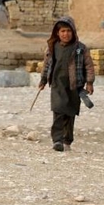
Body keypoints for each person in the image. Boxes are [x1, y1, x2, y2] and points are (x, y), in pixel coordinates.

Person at [37, 16, 95, 152]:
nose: (66, 34)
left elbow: (89, 65)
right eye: (63, 31)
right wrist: (43, 79)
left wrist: (89, 82)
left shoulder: (80, 48)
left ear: (73, 32)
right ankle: (57, 140)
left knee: (70, 113)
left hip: (74, 86)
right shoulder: (52, 47)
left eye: (68, 31)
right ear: (57, 33)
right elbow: (47, 64)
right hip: (57, 84)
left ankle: (67, 140)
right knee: (58, 110)